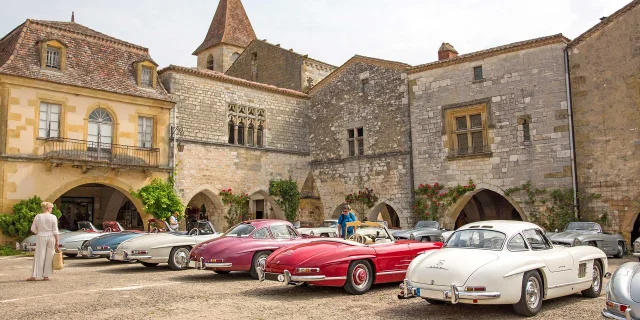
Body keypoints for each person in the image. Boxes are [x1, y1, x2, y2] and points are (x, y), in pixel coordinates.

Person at [27, 202, 60, 281]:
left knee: (39, 255)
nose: (51, 209)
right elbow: (55, 230)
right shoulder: (53, 217)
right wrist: (57, 241)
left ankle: (35, 275)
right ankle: (46, 276)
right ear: (48, 208)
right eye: (51, 208)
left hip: (41, 236)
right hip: (51, 236)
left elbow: (33, 228)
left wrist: (38, 232)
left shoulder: (38, 216)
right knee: (50, 255)